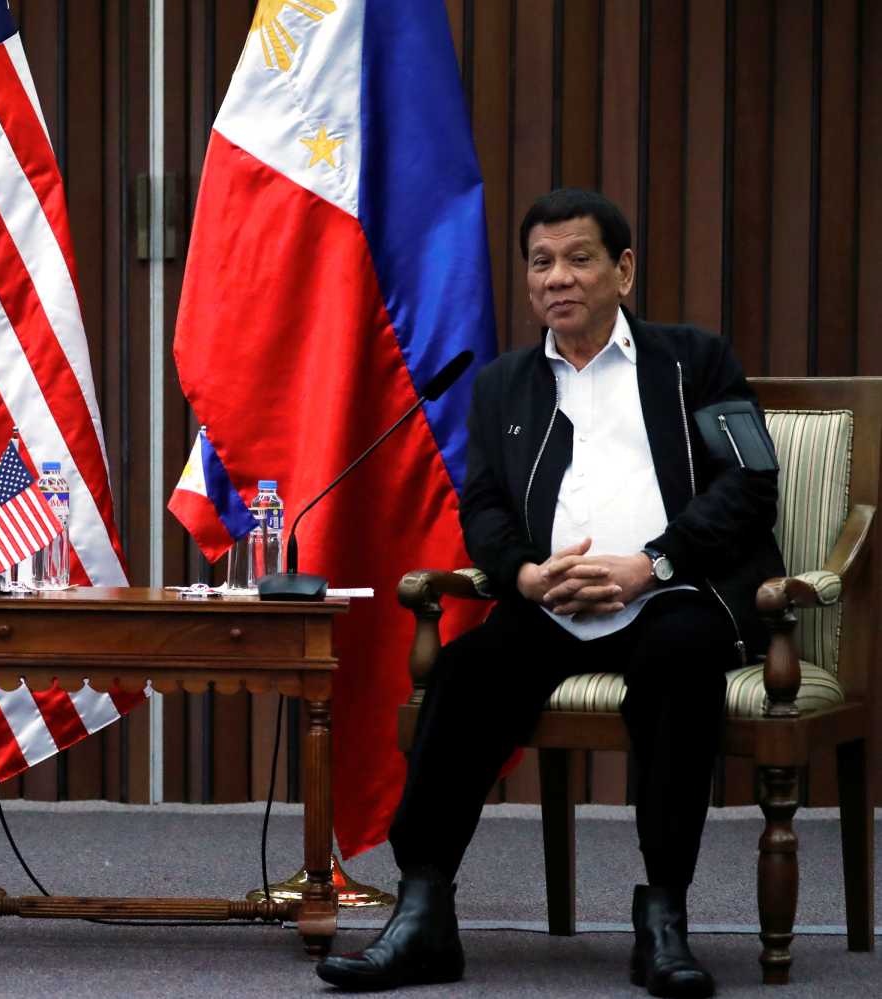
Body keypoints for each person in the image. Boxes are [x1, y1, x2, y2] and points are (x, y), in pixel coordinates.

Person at [316, 189, 783, 997]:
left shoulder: (695, 360)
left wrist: (655, 563)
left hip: (672, 593)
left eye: (578, 258)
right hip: (553, 602)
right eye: (541, 263)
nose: (557, 278)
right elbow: (485, 504)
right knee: (465, 675)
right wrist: (524, 575)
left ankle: (663, 917)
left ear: (623, 269)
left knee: (680, 660)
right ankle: (424, 912)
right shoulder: (503, 385)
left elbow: (751, 480)